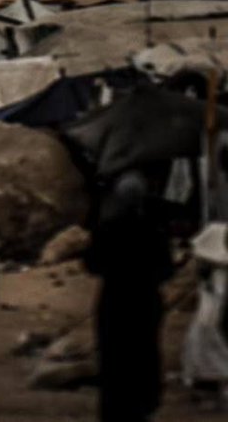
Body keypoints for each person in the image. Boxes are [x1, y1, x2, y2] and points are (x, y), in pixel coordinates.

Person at [85, 170, 173, 422]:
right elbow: (166, 269)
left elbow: (92, 264)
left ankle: (115, 410)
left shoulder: (108, 228)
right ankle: (144, 406)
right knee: (144, 354)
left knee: (113, 357)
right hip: (146, 301)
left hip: (114, 301)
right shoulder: (153, 231)